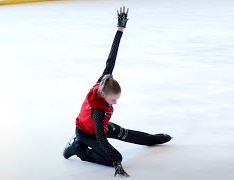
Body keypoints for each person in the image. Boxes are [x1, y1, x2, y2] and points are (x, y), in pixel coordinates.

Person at [63, 6, 172, 178]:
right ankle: (77, 148)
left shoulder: (104, 82)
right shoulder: (98, 111)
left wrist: (120, 29)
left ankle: (154, 139)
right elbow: (100, 138)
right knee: (117, 157)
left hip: (99, 128)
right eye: (113, 100)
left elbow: (111, 57)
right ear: (104, 96)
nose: (115, 103)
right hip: (86, 133)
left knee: (126, 133)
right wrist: (115, 161)